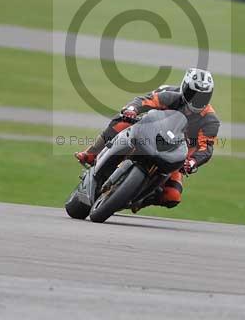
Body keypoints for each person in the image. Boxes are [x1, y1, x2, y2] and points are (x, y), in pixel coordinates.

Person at [75, 68, 220, 212]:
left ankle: (141, 200)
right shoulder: (170, 95)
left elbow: (206, 148)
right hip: (149, 132)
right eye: (192, 93)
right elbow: (144, 101)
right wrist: (132, 110)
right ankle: (92, 153)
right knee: (122, 122)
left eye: (202, 97)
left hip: (175, 151)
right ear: (184, 87)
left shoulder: (210, 120)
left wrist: (192, 162)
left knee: (173, 196)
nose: (196, 100)